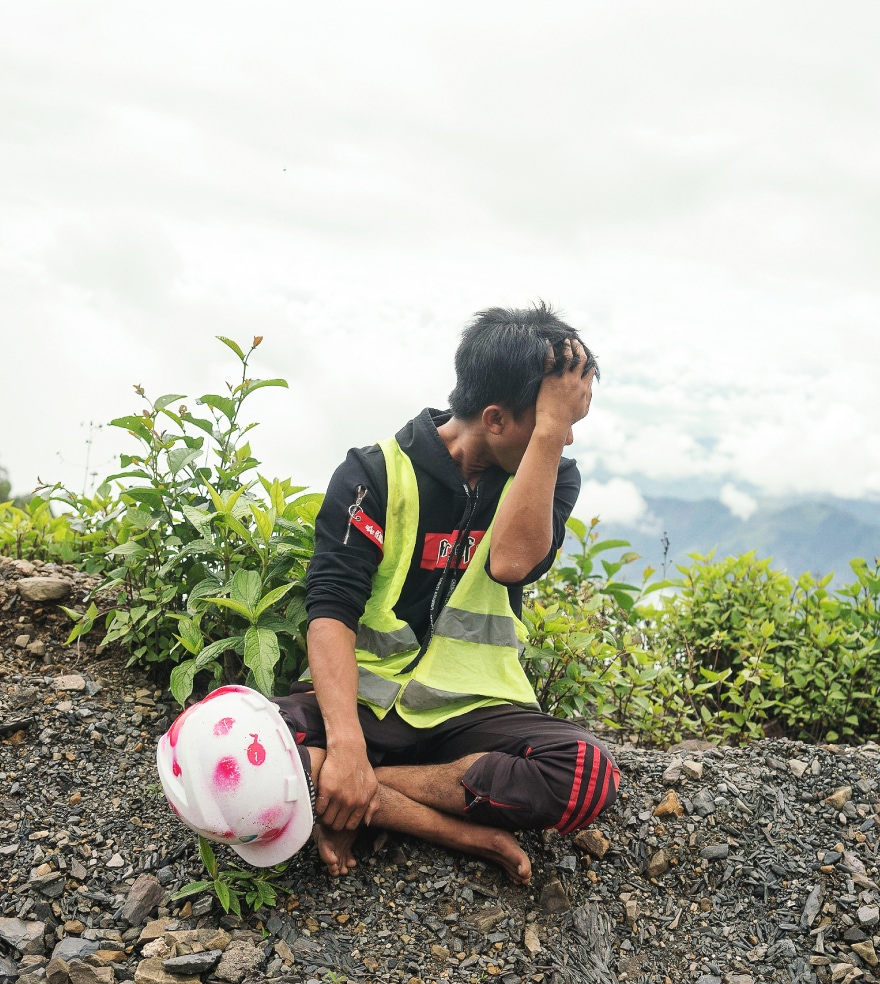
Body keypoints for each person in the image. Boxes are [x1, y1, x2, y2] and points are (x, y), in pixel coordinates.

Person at [272, 303, 619, 885]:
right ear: (496, 419)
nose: (564, 436)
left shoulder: (548, 474)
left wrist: (551, 435)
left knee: (586, 774)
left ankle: (353, 791)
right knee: (221, 736)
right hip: (363, 707)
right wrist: (349, 745)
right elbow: (331, 611)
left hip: (472, 714)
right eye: (552, 420)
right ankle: (443, 822)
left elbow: (511, 562)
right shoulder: (373, 474)